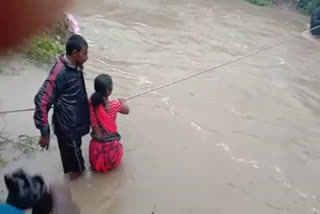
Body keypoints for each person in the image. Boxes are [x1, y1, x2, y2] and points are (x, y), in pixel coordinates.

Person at [34, 34, 90, 180]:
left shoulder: (75, 66)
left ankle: (74, 183)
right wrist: (44, 132)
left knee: (75, 161)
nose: (87, 57)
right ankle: (79, 191)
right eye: (84, 53)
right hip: (67, 128)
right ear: (75, 53)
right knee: (77, 167)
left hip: (74, 123)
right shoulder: (59, 72)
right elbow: (42, 100)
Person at [89, 74, 130, 174]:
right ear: (109, 91)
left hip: (96, 151)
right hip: (112, 149)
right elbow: (127, 110)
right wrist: (122, 102)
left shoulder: (90, 104)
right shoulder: (115, 104)